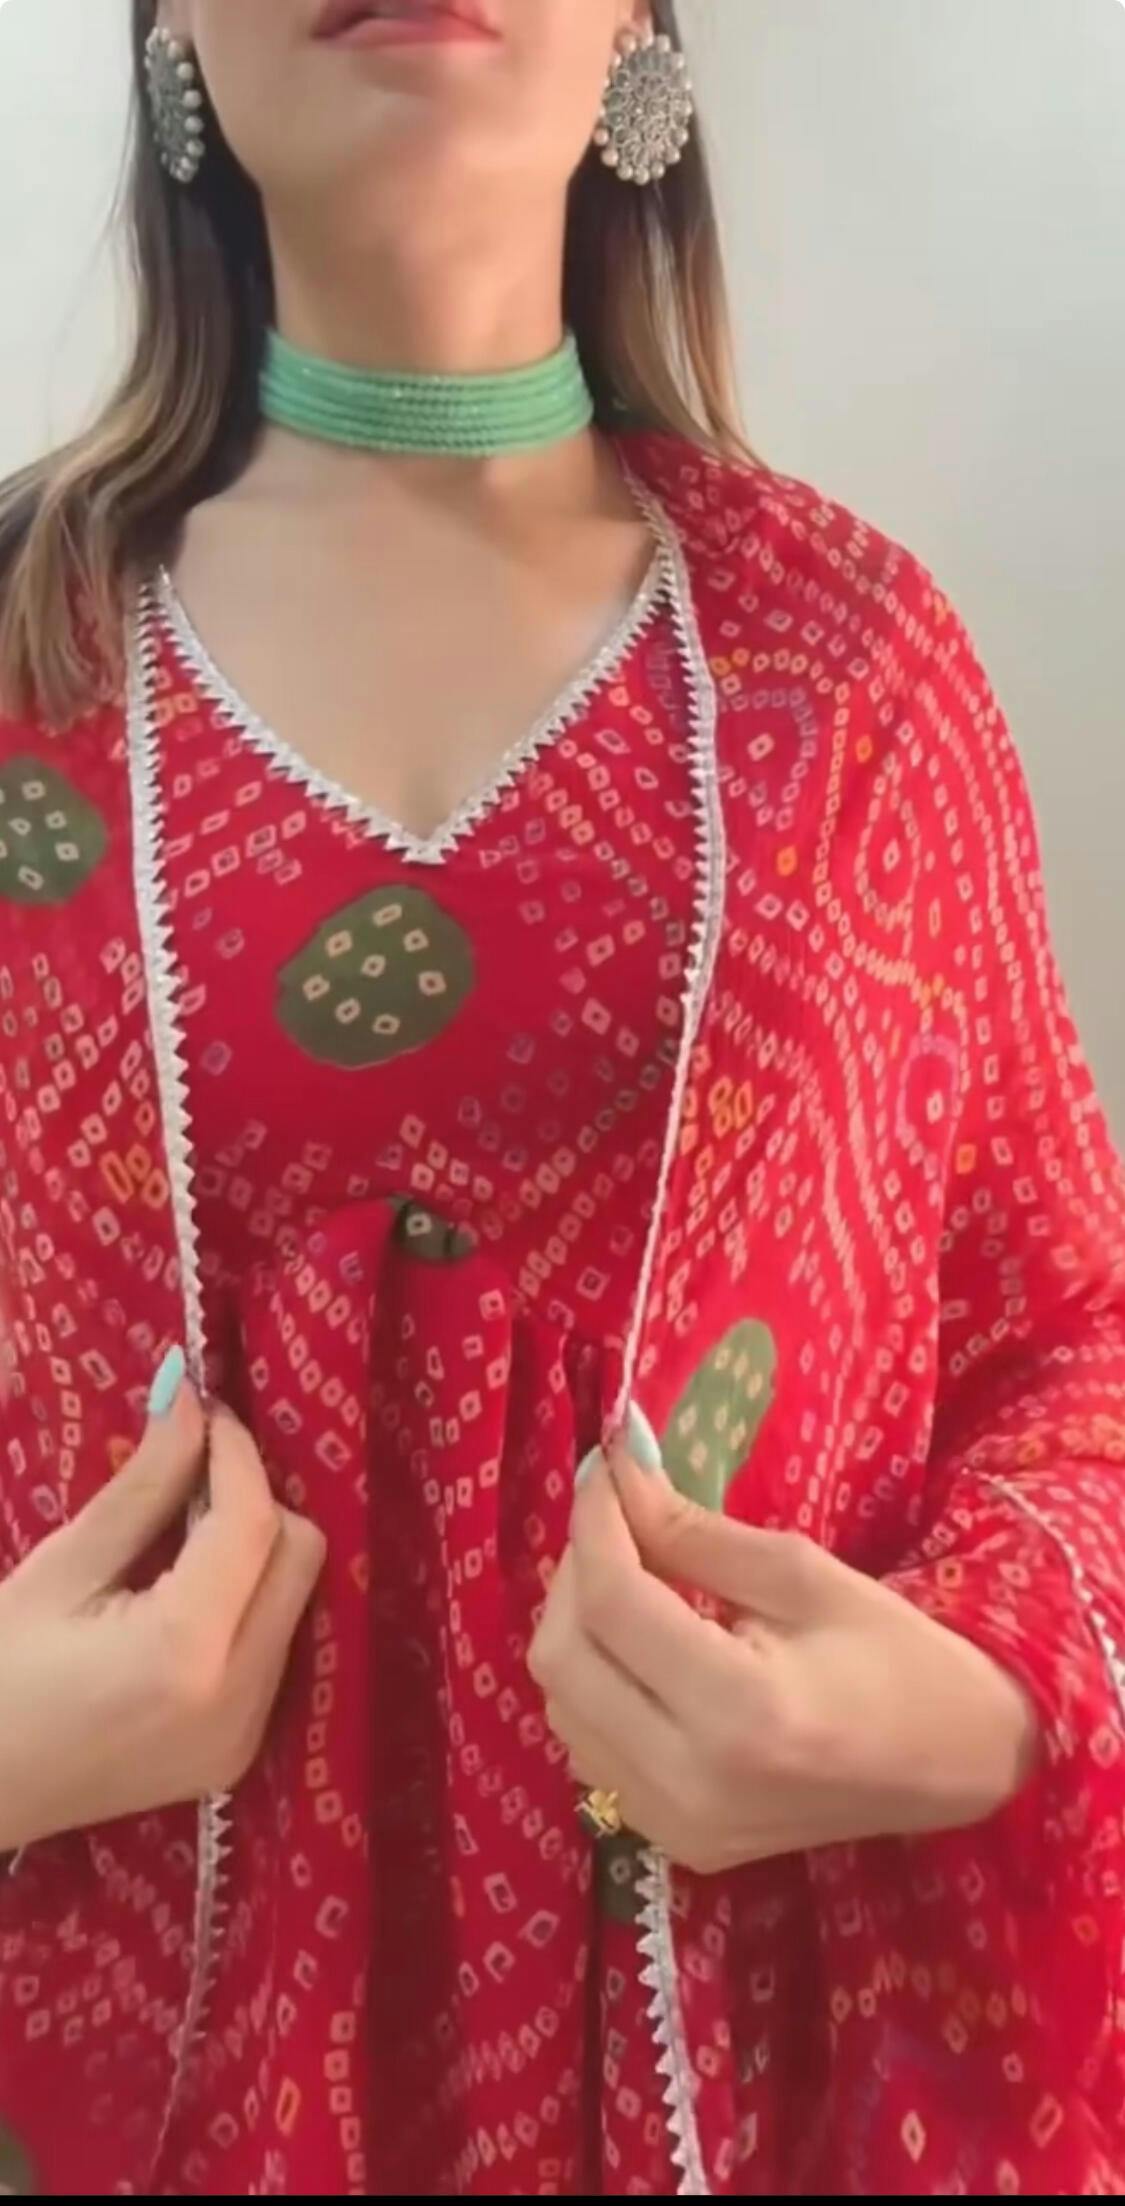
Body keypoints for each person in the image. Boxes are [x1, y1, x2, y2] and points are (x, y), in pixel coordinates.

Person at [0, 0, 1122, 2194]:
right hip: (126, 2075)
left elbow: (1068, 1344)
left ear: (638, 37)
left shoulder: (851, 677)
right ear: (166, 39)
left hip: (772, 2074)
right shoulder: (24, 673)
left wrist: (977, 1701)